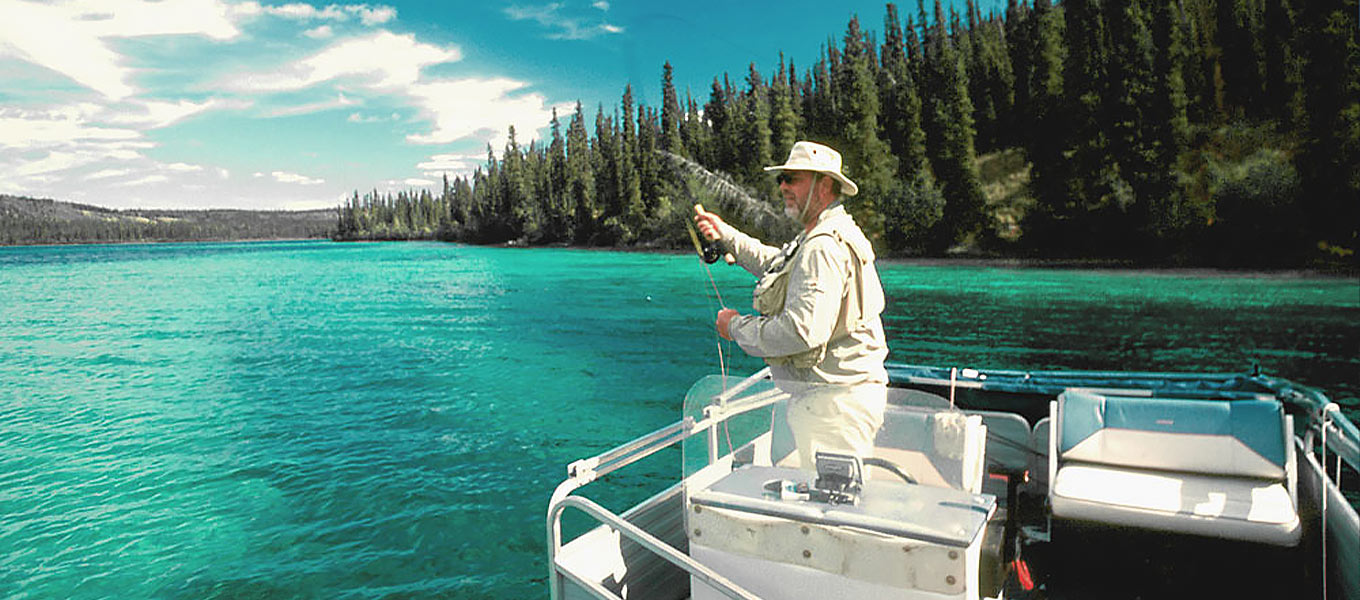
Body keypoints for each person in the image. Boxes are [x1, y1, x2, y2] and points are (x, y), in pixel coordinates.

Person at [693, 141, 889, 474]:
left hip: (834, 407)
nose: (783, 186)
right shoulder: (826, 234)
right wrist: (726, 235)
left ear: (823, 185)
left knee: (831, 501)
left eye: (792, 179)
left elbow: (801, 331)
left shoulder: (822, 247)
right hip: (837, 402)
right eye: (781, 179)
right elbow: (777, 264)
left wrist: (735, 327)